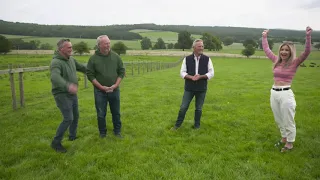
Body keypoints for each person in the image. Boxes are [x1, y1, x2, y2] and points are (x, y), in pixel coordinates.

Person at [262, 26, 312, 152]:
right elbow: (267, 49)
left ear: (291, 52)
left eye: (287, 50)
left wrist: (308, 36)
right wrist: (264, 37)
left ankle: (290, 143)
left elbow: (306, 52)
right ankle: (284, 138)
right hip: (274, 92)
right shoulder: (276, 61)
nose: (284, 52)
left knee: (288, 119)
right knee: (278, 118)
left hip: (286, 94)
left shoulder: (295, 62)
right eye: (282, 50)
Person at [50, 39, 87, 153]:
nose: (72, 49)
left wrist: (98, 71)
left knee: (75, 116)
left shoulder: (71, 59)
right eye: (69, 47)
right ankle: (56, 143)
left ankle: (72, 136)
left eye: (71, 47)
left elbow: (83, 68)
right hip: (62, 94)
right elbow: (55, 77)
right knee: (68, 118)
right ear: (61, 49)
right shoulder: (56, 62)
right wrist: (67, 86)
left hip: (72, 94)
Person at [86, 35, 125, 138]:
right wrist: (101, 87)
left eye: (109, 43)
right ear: (99, 45)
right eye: (105, 43)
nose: (108, 45)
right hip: (100, 91)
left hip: (114, 90)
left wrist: (115, 85)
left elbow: (121, 71)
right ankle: (102, 133)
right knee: (101, 113)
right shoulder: (93, 59)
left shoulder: (116, 57)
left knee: (116, 112)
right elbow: (90, 75)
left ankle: (117, 131)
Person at [171, 39, 214, 130]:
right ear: (193, 47)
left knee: (198, 108)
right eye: (199, 46)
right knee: (183, 107)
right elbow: (182, 72)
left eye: (202, 46)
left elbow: (211, 73)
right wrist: (191, 77)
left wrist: (201, 76)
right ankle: (177, 126)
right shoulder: (187, 59)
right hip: (189, 88)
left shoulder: (207, 59)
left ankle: (197, 126)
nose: (201, 48)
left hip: (201, 88)